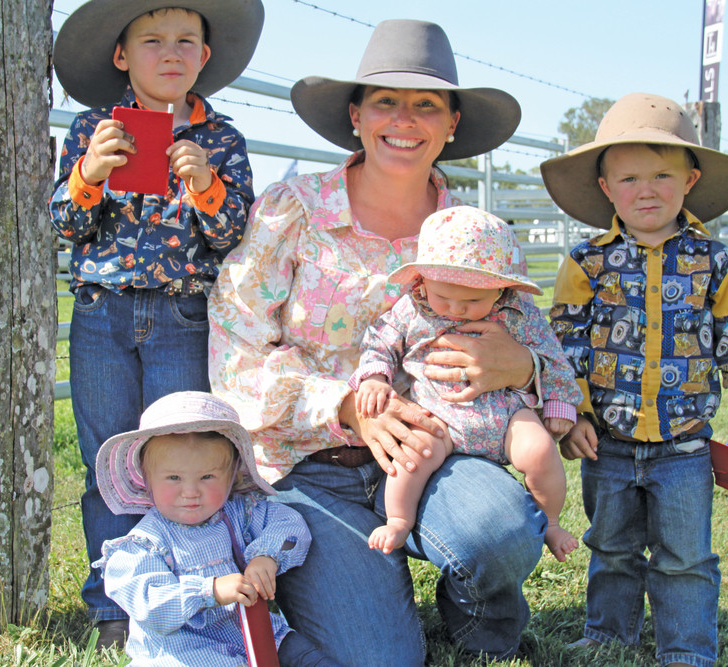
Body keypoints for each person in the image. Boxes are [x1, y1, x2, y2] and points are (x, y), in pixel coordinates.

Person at [209, 19, 547, 664]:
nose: (405, 119)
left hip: (441, 449)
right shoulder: (296, 209)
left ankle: (478, 631)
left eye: (427, 105)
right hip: (315, 467)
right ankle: (309, 577)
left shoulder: (472, 235)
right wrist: (342, 406)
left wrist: (523, 364)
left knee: (499, 534)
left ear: (451, 124)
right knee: (380, 659)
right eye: (386, 101)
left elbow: (534, 335)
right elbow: (235, 357)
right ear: (356, 116)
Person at [541, 93, 728, 667]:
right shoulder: (585, 263)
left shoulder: (717, 262)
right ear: (605, 187)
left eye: (661, 175)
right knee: (613, 546)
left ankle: (688, 649)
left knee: (685, 555)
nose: (645, 190)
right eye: (627, 178)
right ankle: (607, 634)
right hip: (608, 441)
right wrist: (573, 412)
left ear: (690, 179)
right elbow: (563, 345)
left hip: (685, 444)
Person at [49, 0, 263, 647]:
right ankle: (116, 604)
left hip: (181, 314)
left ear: (203, 56)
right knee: (106, 459)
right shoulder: (93, 128)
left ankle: (194, 586)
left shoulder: (220, 139)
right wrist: (89, 173)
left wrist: (206, 186)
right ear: (122, 55)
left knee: (186, 455)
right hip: (102, 311)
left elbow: (233, 236)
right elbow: (64, 222)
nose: (169, 53)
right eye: (151, 41)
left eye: (184, 41)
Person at [350, 206, 584, 561]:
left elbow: (552, 355)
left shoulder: (519, 314)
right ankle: (399, 518)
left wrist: (560, 403)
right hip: (437, 415)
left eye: (473, 300)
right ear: (423, 281)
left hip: (506, 416)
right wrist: (374, 377)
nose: (456, 309)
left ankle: (549, 521)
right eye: (443, 297)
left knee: (538, 450)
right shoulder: (410, 309)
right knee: (413, 454)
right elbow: (381, 341)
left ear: (500, 288)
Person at [92, 391, 339, 666]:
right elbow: (151, 605)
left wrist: (266, 556)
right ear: (146, 478)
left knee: (307, 658)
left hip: (255, 635)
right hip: (184, 651)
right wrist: (209, 591)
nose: (190, 492)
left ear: (231, 474)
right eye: (173, 477)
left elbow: (289, 524)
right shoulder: (145, 543)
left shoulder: (238, 513)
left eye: (207, 476)